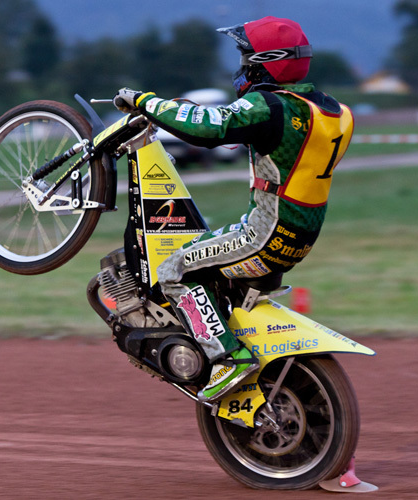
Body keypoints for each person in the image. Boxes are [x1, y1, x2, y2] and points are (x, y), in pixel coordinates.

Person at [113, 16, 354, 402]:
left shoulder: (270, 106)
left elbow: (207, 129)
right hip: (302, 234)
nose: (242, 67)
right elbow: (274, 144)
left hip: (265, 233)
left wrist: (144, 101)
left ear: (267, 62)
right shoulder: (334, 112)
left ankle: (226, 358)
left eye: (246, 57)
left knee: (173, 270)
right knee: (205, 255)